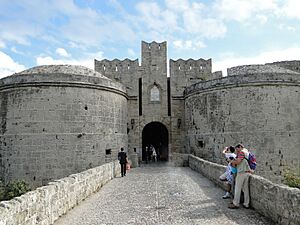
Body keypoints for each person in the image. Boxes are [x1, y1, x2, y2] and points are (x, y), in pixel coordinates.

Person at [228, 143, 251, 209]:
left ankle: (236, 203)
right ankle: (246, 203)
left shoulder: (242, 152)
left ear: (240, 147)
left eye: (237, 149)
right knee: (245, 189)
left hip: (241, 172)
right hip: (246, 172)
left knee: (237, 188)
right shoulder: (247, 152)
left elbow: (238, 162)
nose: (237, 151)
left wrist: (231, 161)